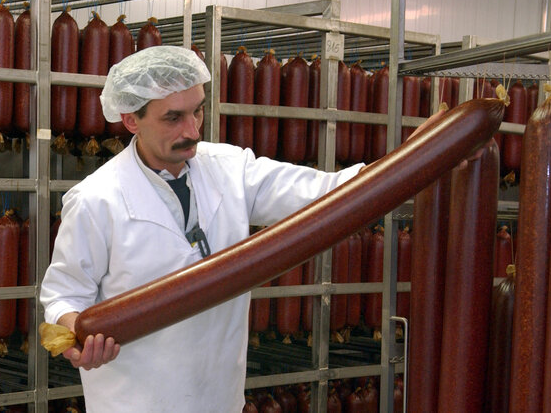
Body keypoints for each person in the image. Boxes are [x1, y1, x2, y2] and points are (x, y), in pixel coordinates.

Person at [40, 45, 364, 412]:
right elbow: (64, 293)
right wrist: (75, 335)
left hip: (219, 399)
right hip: (135, 403)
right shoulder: (96, 200)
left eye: (198, 110)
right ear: (132, 120)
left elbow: (323, 192)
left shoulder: (231, 169)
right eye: (173, 118)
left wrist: (411, 158)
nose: (192, 130)